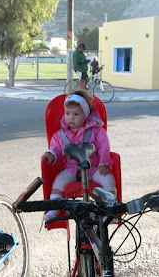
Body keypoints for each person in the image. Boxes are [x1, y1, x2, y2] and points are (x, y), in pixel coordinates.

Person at [42, 90, 116, 221]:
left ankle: (110, 210)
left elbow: (104, 147)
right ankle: (54, 209)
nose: (71, 117)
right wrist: (51, 155)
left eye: (76, 114)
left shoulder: (96, 131)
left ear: (86, 115)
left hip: (93, 169)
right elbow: (56, 149)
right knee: (58, 183)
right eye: (68, 113)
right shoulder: (60, 135)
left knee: (108, 180)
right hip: (72, 170)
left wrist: (104, 163)